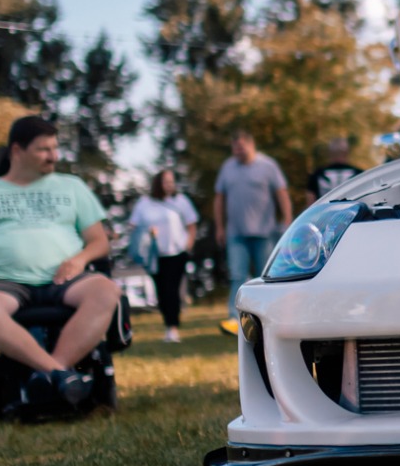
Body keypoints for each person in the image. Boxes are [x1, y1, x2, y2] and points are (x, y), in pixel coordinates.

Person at [0, 116, 121, 407]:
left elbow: (99, 241)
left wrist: (80, 260)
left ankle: (50, 374)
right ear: (17, 151)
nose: (53, 156)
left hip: (65, 278)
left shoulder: (72, 187)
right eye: (43, 149)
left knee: (106, 291)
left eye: (55, 148)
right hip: (2, 282)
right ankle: (60, 375)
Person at [214, 130, 290, 333]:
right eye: (234, 148)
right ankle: (234, 318)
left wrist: (287, 220)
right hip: (236, 233)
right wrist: (220, 227)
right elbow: (219, 198)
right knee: (237, 275)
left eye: (241, 148)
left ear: (251, 145)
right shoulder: (228, 167)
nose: (237, 152)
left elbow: (281, 193)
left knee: (264, 277)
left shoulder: (268, 165)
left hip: (265, 233)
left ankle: (268, 316)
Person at [128, 169, 199, 343]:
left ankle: (173, 327)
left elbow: (191, 225)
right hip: (154, 255)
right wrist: (146, 233)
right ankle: (168, 324)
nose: (169, 185)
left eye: (171, 181)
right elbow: (133, 226)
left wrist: (188, 246)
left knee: (172, 289)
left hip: (176, 252)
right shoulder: (145, 203)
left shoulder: (180, 201)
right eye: (166, 182)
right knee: (161, 291)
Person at [307, 137, 362, 203]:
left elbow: (311, 203)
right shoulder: (359, 175)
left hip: (326, 209)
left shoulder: (317, 175)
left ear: (330, 153)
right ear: (346, 153)